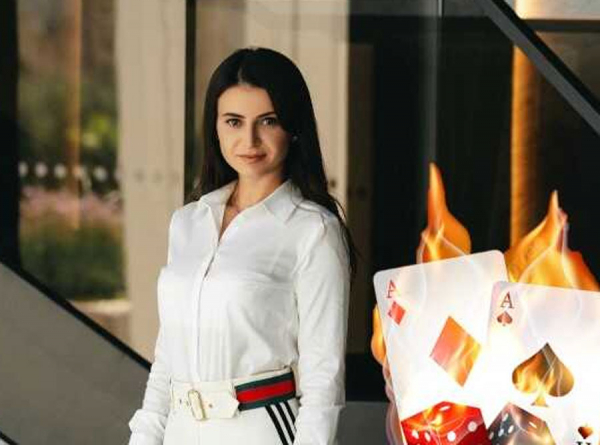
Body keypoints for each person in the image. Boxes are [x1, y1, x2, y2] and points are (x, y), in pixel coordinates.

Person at [127, 47, 357, 445]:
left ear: (293, 127)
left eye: (268, 121)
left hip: (260, 430)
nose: (249, 140)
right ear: (215, 127)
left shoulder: (313, 231)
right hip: (180, 431)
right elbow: (167, 359)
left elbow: (324, 378)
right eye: (233, 121)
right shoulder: (188, 223)